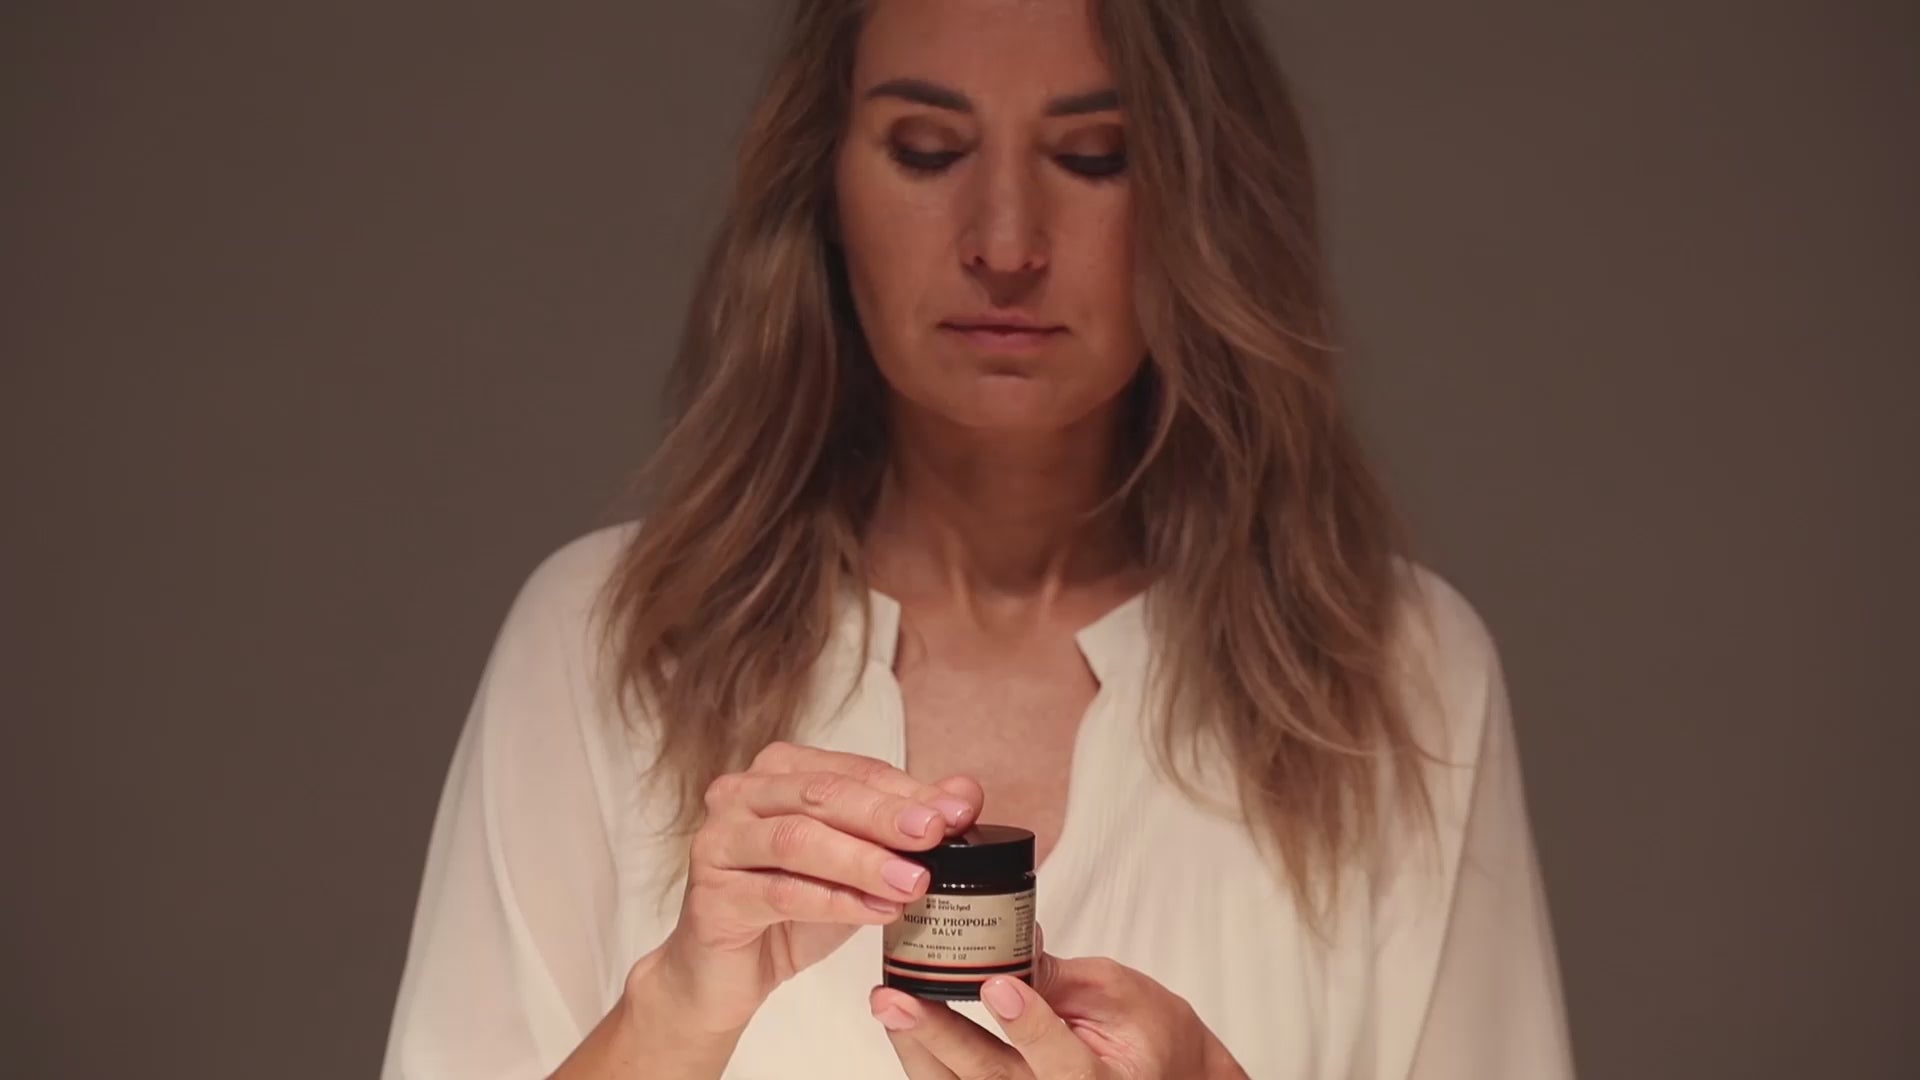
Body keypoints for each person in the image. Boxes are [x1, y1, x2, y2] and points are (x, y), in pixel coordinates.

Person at [381, 0, 1574, 1076]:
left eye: (1094, 156)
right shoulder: (610, 639)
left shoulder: (1399, 674)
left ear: (1201, 195)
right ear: (824, 185)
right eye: (927, 150)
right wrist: (671, 1020)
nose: (1006, 244)